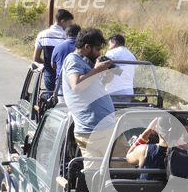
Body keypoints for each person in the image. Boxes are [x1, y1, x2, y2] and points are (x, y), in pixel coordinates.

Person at [62, 27, 122, 168]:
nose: (99, 53)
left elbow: (90, 88)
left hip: (102, 128)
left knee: (109, 171)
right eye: (97, 49)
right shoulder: (73, 60)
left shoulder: (84, 62)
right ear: (87, 47)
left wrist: (105, 78)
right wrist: (98, 70)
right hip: (95, 130)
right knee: (121, 168)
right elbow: (76, 85)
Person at [126, 115, 188, 180]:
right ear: (180, 132)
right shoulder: (187, 153)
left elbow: (128, 157)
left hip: (145, 189)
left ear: (157, 129)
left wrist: (146, 132)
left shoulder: (143, 150)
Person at [33, 8, 74, 92]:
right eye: (69, 23)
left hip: (49, 76)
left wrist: (48, 64)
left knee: (50, 99)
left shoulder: (42, 34)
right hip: (66, 77)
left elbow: (36, 58)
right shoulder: (67, 37)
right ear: (63, 21)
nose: (69, 26)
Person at [104, 34, 137, 100]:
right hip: (128, 93)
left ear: (114, 43)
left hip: (113, 92)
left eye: (109, 45)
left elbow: (106, 72)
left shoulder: (111, 53)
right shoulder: (132, 56)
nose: (109, 47)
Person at [51, 23, 81, 93]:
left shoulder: (58, 47)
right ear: (80, 34)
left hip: (61, 86)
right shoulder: (84, 48)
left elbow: (53, 65)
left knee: (61, 104)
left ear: (66, 34)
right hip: (79, 86)